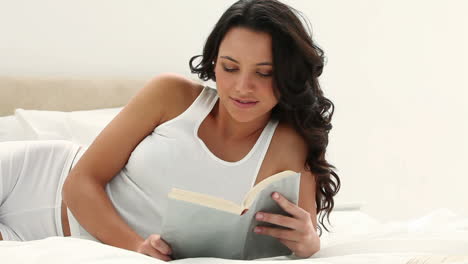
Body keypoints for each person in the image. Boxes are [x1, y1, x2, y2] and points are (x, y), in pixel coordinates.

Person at [0, 0, 340, 261]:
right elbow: (78, 182)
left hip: (55, 242)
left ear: (290, 75)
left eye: (264, 73)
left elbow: (301, 240)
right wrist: (135, 247)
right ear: (213, 62)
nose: (242, 87)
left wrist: (309, 242)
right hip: (31, 178)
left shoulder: (286, 144)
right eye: (229, 67)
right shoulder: (172, 96)